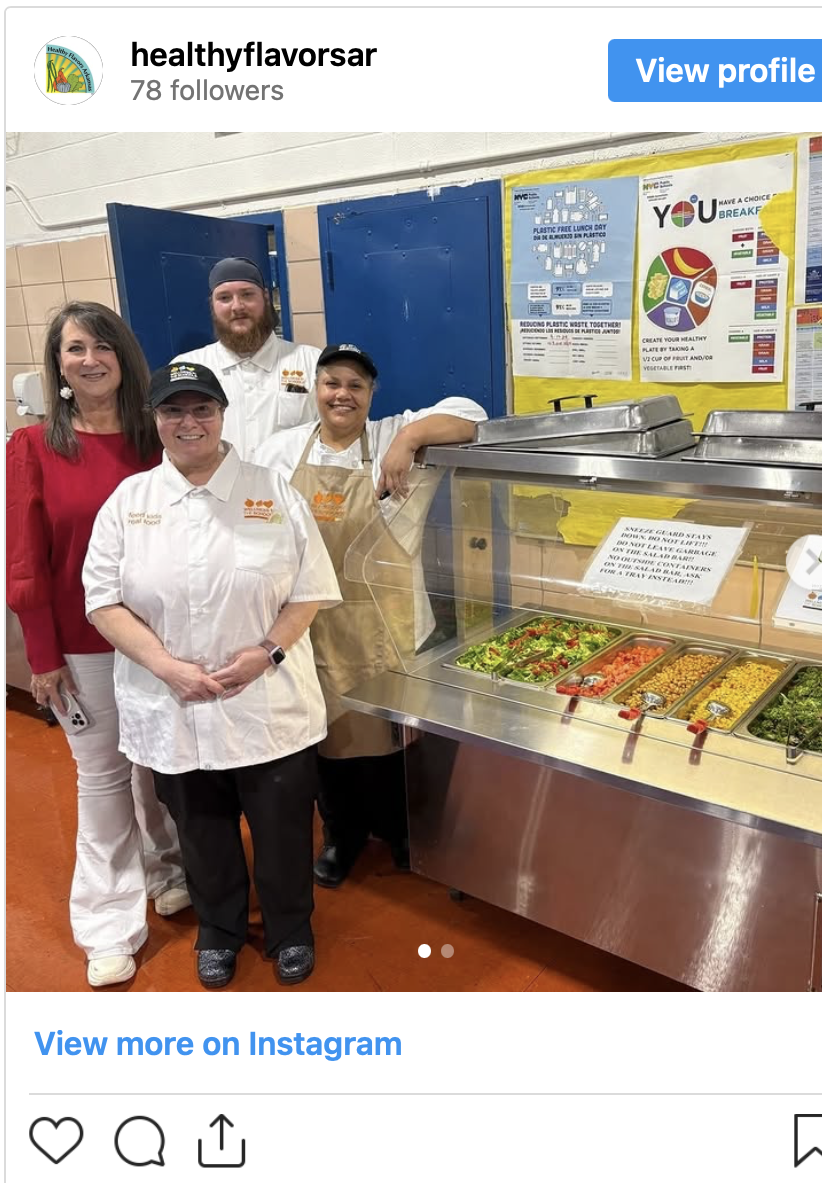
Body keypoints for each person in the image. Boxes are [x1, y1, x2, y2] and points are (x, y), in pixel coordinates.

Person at [83, 362, 342, 991]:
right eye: (173, 410)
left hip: (268, 702)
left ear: (223, 416)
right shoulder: (130, 502)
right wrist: (165, 666)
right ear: (156, 419)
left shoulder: (272, 491)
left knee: (282, 829)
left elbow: (309, 589)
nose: (188, 422)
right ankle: (220, 930)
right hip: (172, 703)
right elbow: (102, 600)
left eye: (202, 409)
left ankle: (290, 929)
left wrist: (267, 652)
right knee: (200, 830)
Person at [6, 301, 191, 989]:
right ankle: (108, 924)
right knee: (105, 778)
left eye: (102, 346)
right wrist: (42, 655)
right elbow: (24, 562)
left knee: (157, 765)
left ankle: (166, 870)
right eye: (75, 348)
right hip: (82, 647)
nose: (90, 360)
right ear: (57, 364)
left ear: (124, 356)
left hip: (157, 643)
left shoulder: (155, 438)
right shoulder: (32, 448)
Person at [253, 343, 487, 888]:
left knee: (393, 740)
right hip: (312, 622)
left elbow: (473, 416)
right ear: (316, 389)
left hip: (388, 619)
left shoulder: (388, 434)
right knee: (326, 738)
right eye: (332, 383)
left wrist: (408, 440)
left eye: (355, 386)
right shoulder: (280, 450)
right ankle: (342, 836)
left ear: (372, 393)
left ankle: (401, 833)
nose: (343, 395)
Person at [172, 257, 320, 459]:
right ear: (212, 305)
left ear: (265, 298)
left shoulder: (311, 363)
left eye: (247, 294)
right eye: (224, 298)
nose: (237, 306)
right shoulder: (188, 368)